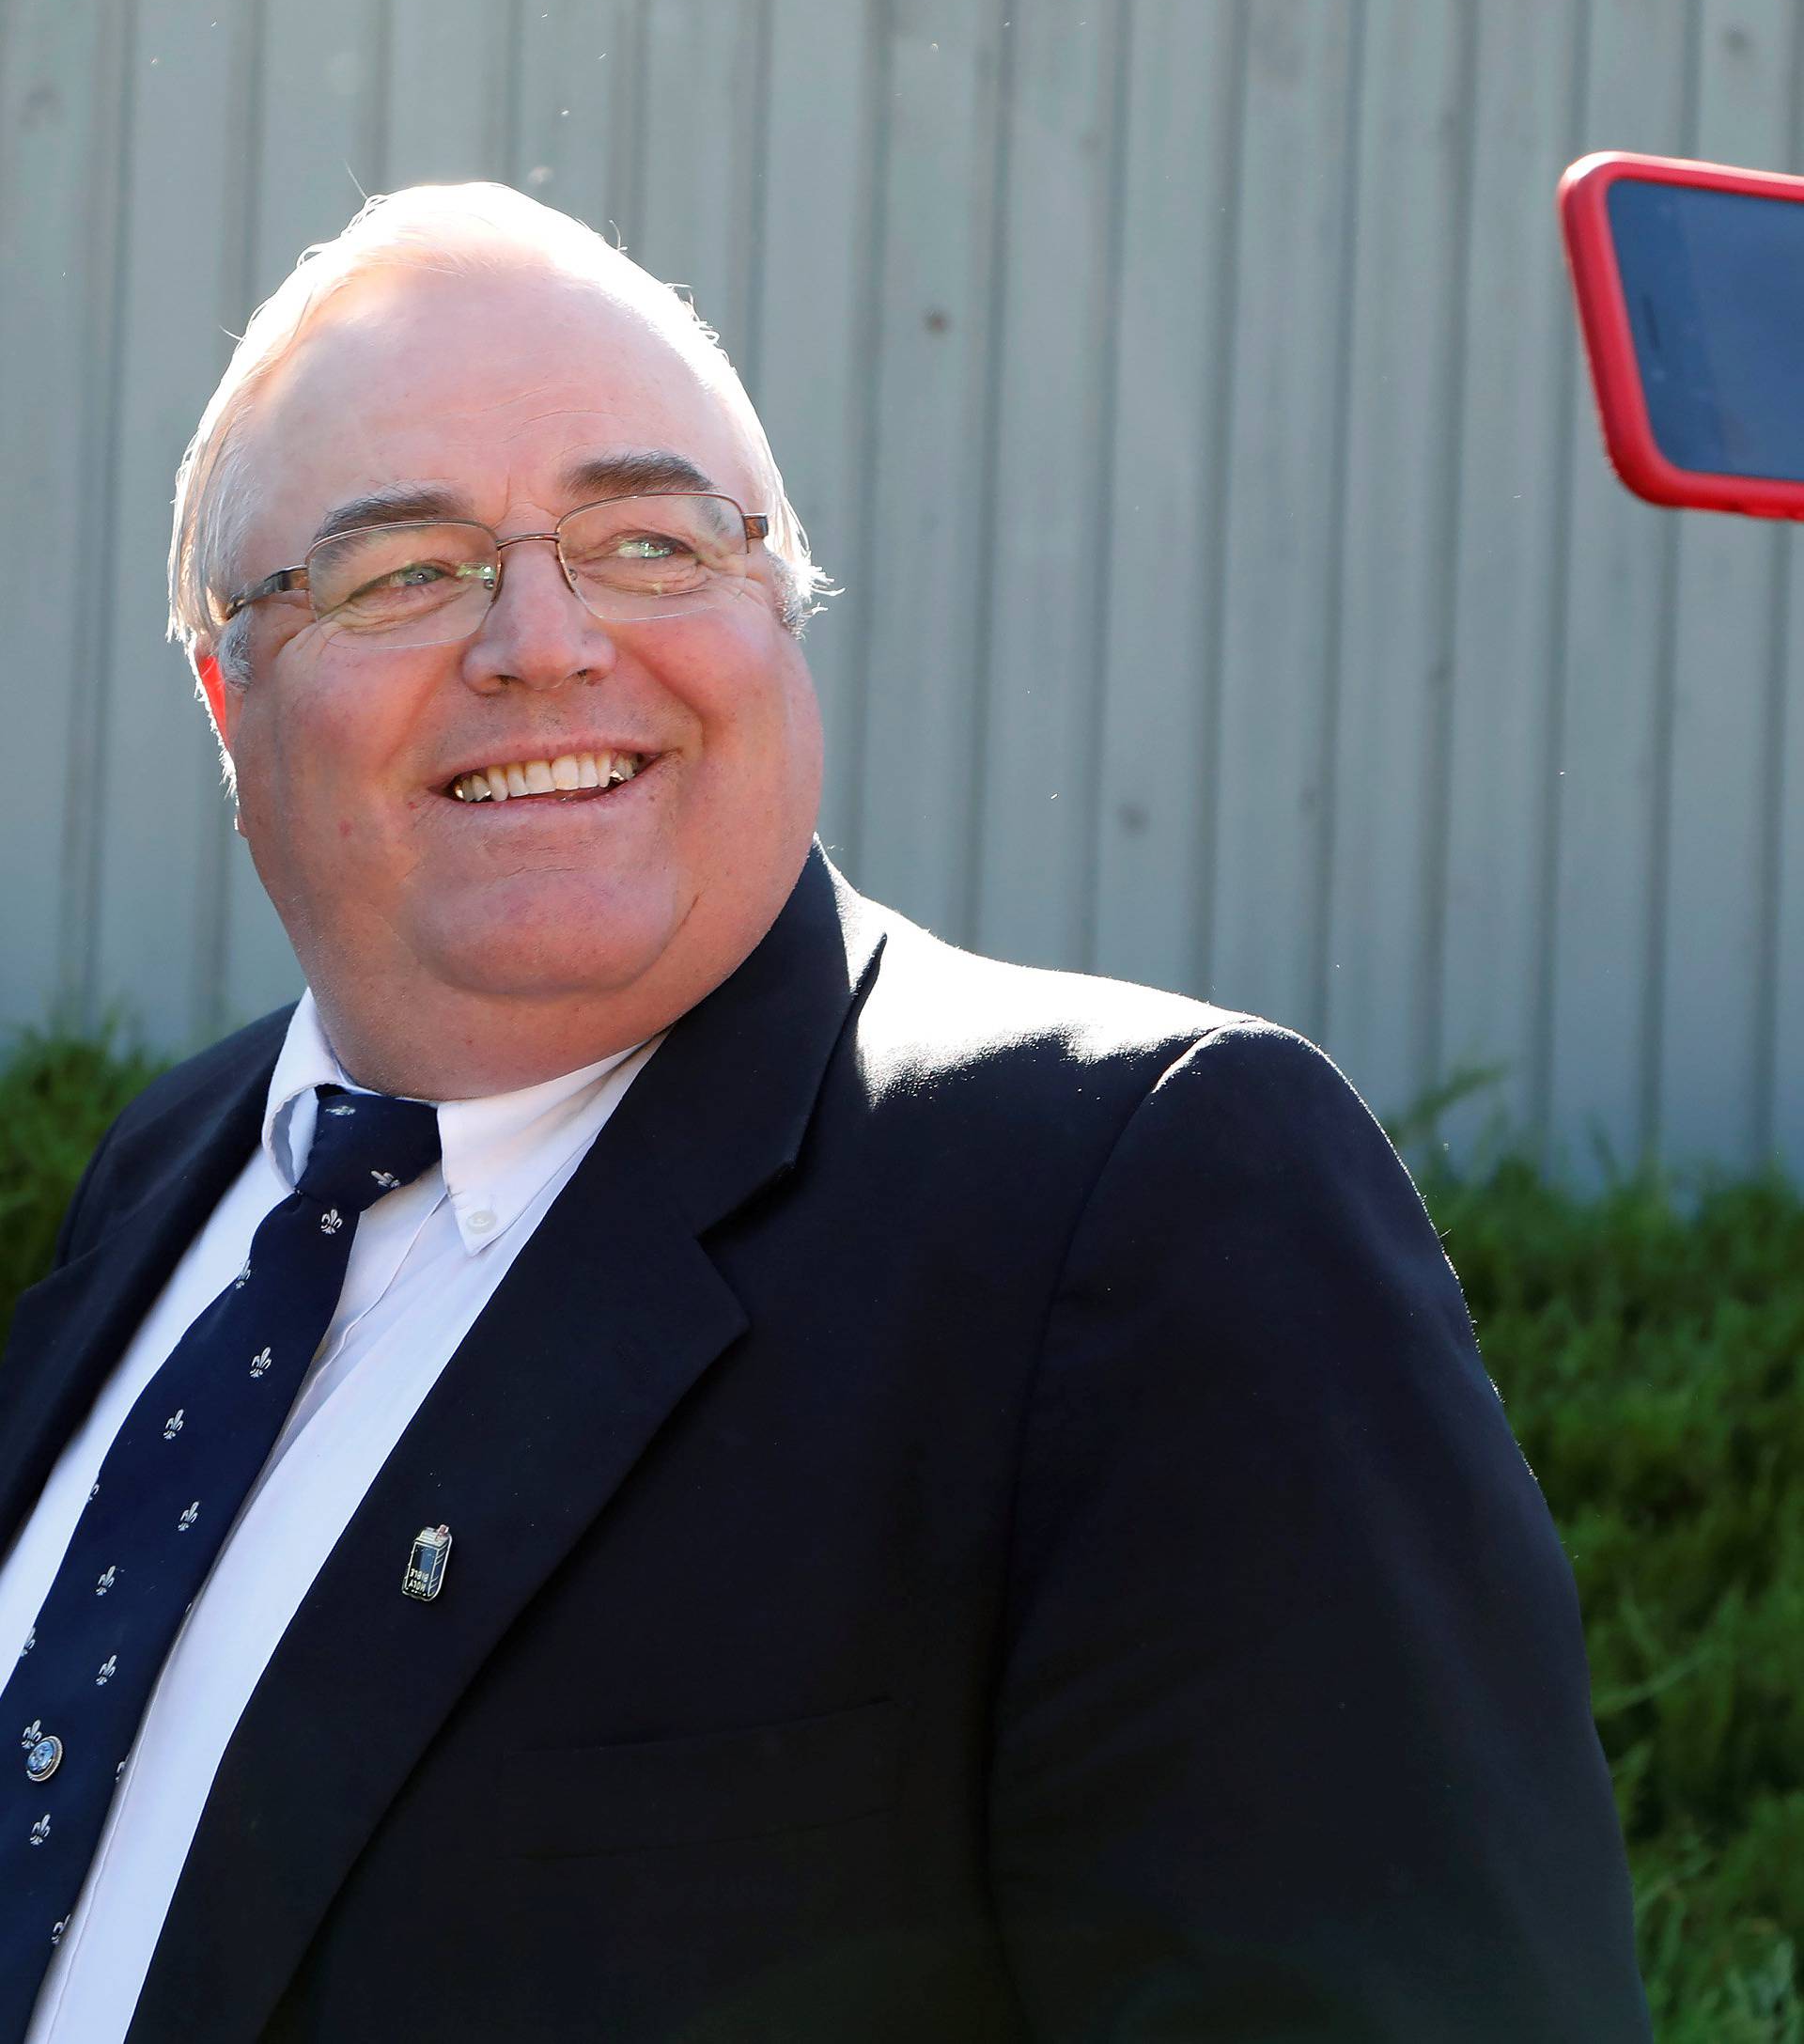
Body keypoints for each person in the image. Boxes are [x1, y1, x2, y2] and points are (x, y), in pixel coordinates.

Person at [0, 184, 1651, 2044]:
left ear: (780, 611)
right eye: (405, 572)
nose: (541, 643)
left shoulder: (1142, 1204)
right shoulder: (178, 1174)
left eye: (646, 543)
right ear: (233, 694)